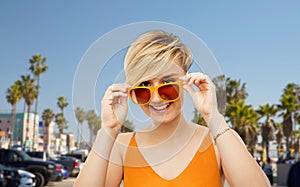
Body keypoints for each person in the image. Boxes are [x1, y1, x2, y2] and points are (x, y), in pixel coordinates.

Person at [74, 30, 270, 186]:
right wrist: (107, 131)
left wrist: (213, 117)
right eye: (144, 87)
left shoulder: (217, 140)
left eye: (167, 83)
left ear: (186, 79)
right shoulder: (122, 147)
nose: (157, 98)